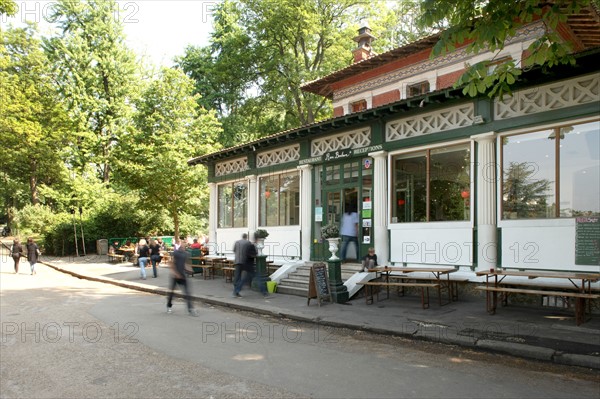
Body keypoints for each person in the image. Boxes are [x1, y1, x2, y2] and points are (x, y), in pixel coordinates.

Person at [232, 233, 268, 298]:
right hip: (248, 265)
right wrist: (254, 255)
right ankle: (264, 292)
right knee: (256, 278)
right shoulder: (249, 244)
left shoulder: (238, 242)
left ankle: (236, 291)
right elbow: (249, 254)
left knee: (240, 278)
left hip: (240, 262)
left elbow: (234, 250)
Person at [166, 241, 198, 316]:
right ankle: (169, 306)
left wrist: (190, 269)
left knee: (187, 292)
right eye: (183, 245)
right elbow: (171, 263)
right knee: (171, 292)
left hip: (182, 275)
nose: (184, 247)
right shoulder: (176, 253)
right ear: (180, 246)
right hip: (175, 276)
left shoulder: (186, 254)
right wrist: (175, 273)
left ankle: (190, 309)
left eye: (185, 246)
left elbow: (185, 263)